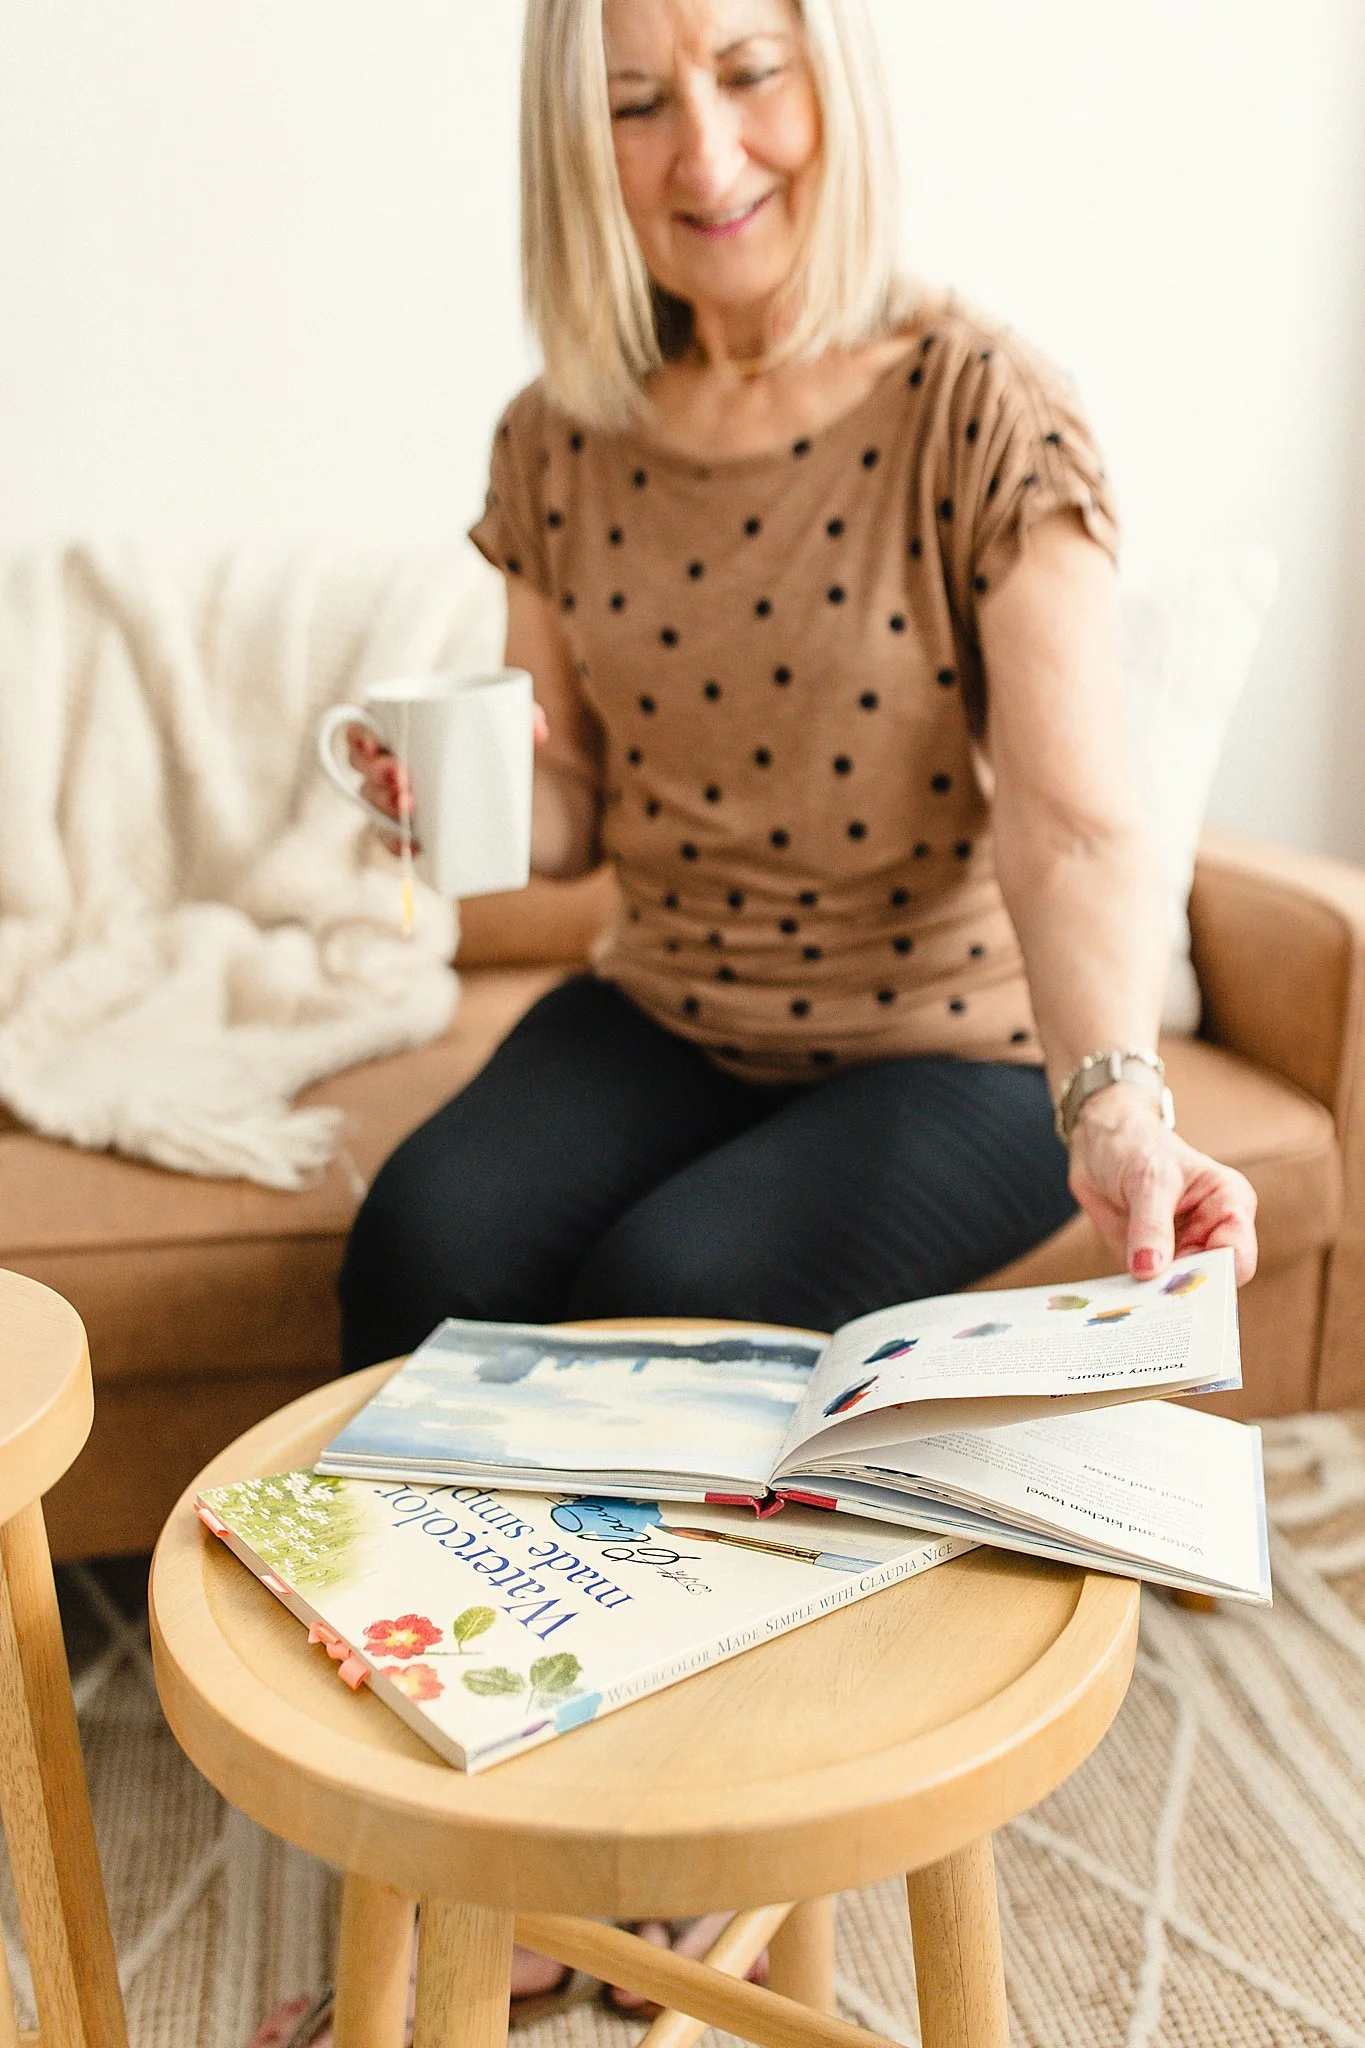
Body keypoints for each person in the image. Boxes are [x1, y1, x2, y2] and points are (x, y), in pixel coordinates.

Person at [333, 0, 1258, 2015]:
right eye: (637, 102)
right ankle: (445, 1803)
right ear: (576, 147)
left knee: (678, 1280)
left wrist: (1118, 1100)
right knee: (421, 1239)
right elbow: (568, 808)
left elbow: (1079, 827)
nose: (704, 152)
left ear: (830, 76)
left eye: (746, 70)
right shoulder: (556, 431)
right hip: (668, 996)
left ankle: (657, 1843)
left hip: (947, 1041)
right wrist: (453, 801)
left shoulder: (979, 403)